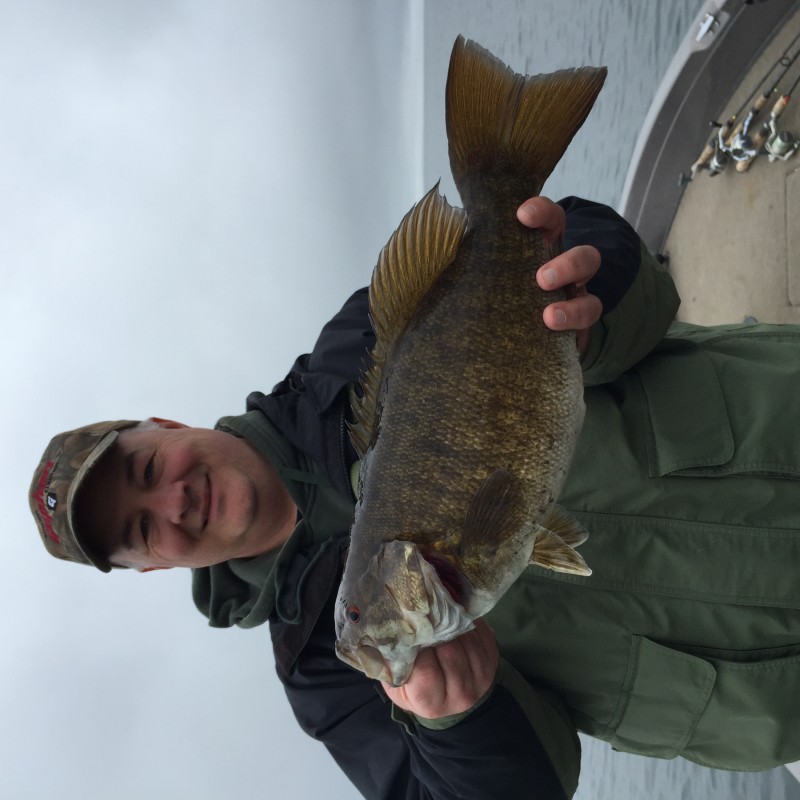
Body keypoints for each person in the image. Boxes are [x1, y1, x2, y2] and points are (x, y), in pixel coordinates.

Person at [29, 195, 800, 800]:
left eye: (145, 469)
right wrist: (459, 723)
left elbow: (596, 246)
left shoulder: (352, 352)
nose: (172, 503)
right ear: (153, 569)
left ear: (165, 425)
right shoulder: (325, 670)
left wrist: (588, 293)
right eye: (141, 529)